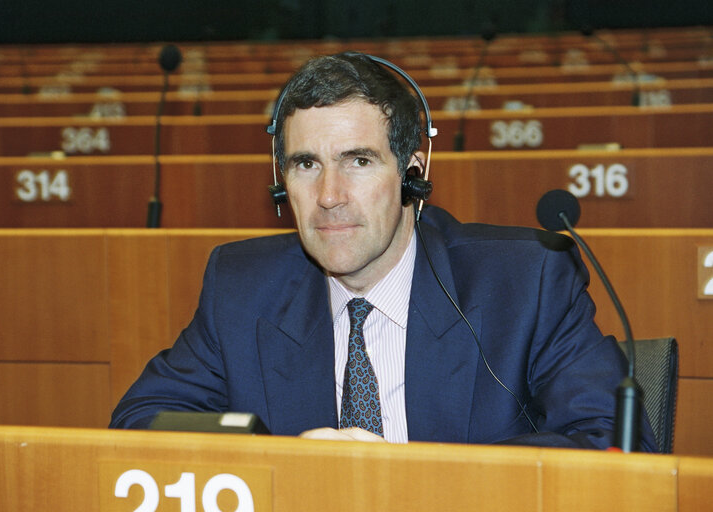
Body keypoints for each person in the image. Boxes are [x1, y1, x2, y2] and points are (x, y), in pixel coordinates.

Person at [110, 52, 657, 451]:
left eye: (359, 161)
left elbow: (613, 443)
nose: (329, 196)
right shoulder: (242, 286)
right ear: (281, 183)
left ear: (414, 175)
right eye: (306, 165)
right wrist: (275, 463)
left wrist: (409, 480)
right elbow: (140, 424)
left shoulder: (526, 280)